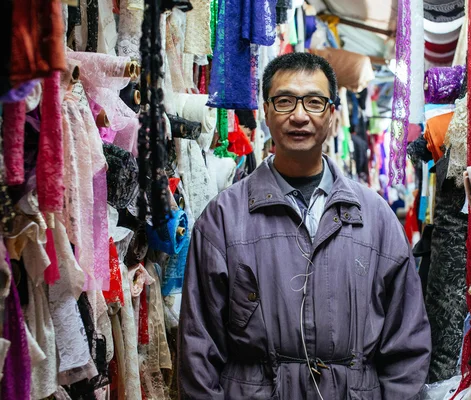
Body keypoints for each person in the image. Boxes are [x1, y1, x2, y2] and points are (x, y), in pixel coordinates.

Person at [178, 52, 431, 400]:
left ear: (331, 112)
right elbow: (198, 349)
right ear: (266, 112)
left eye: (313, 102)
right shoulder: (223, 218)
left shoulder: (376, 218)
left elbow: (408, 347)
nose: (299, 116)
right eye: (284, 101)